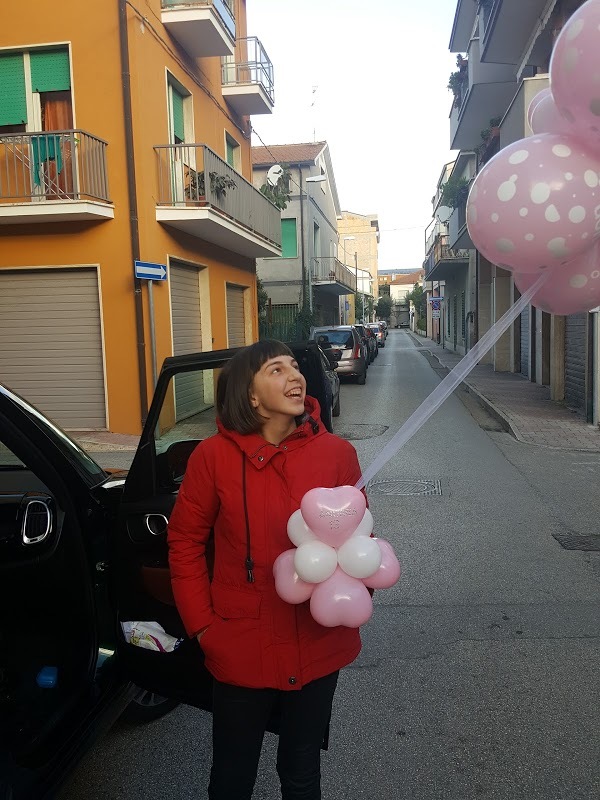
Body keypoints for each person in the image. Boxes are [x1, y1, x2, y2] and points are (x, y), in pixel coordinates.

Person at [167, 339, 364, 800]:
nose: (294, 376)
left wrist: (353, 596)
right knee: (232, 779)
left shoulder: (336, 454)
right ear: (250, 395)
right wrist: (203, 628)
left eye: (295, 367)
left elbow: (358, 539)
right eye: (276, 369)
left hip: (317, 641)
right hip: (240, 645)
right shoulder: (212, 458)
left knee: (301, 773)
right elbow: (185, 542)